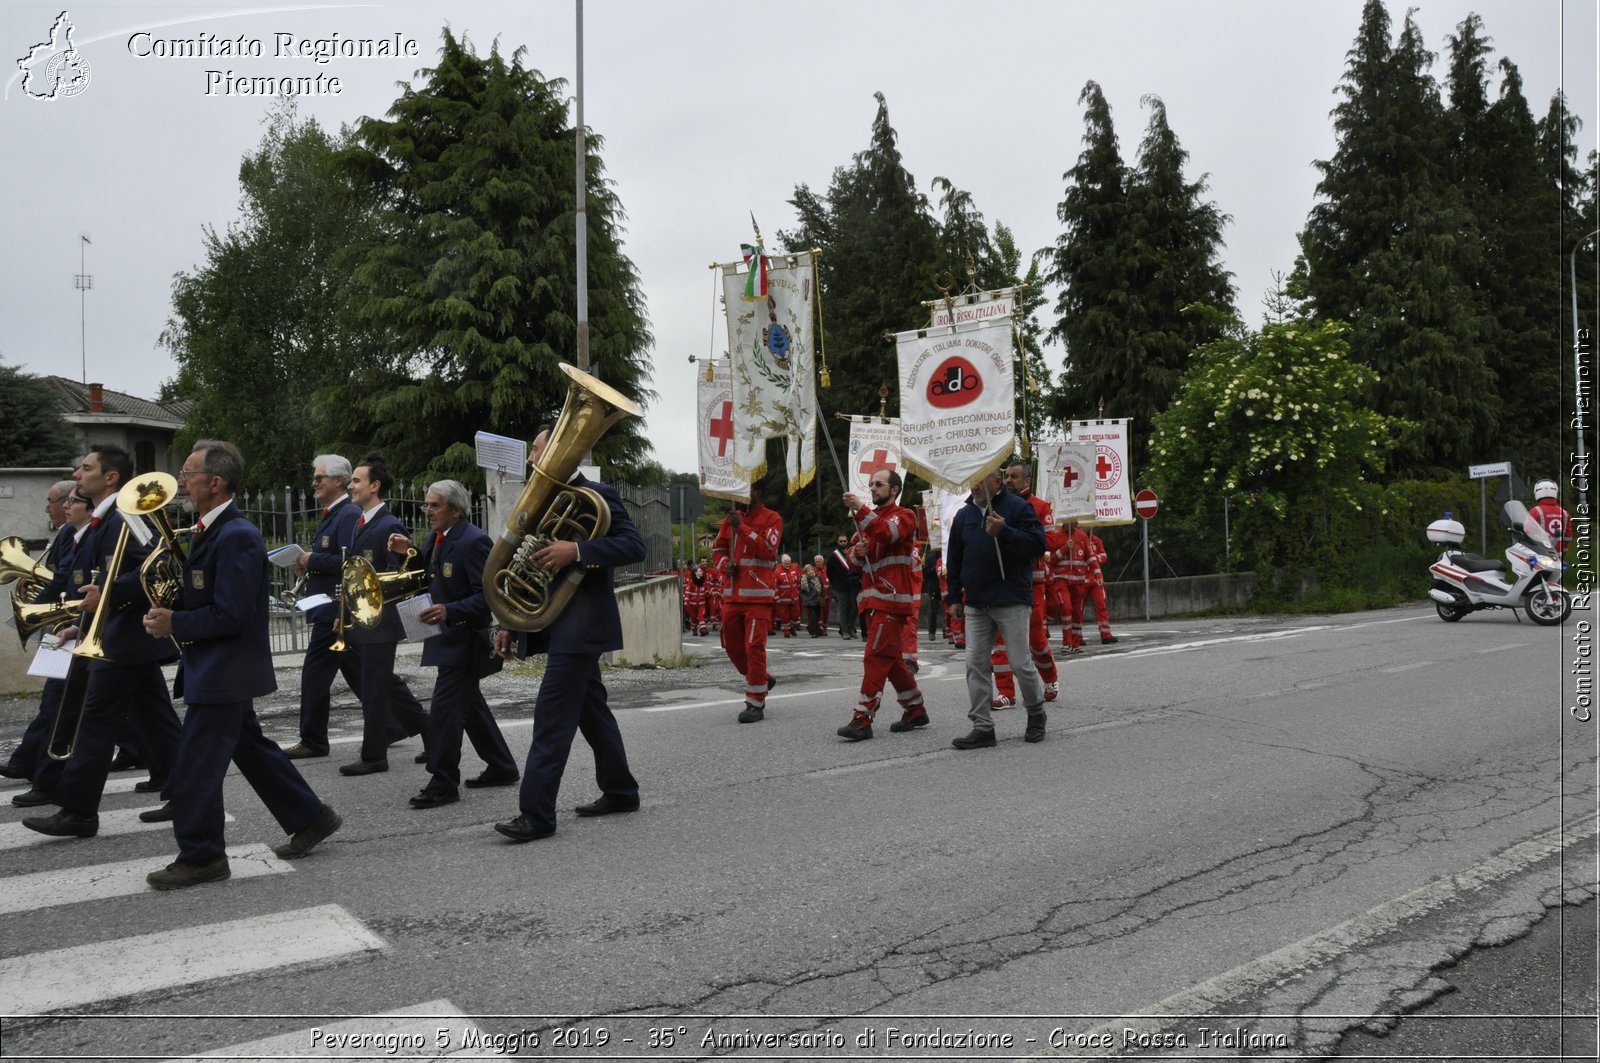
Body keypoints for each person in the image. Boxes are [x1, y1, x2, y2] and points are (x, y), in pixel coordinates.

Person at [138, 441, 341, 888]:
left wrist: (177, 620)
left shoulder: (236, 535)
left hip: (224, 672)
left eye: (189, 473)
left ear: (216, 482)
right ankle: (311, 817)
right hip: (215, 667)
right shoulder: (210, 531)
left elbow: (232, 614)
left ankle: (203, 855)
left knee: (193, 767)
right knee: (250, 748)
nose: (181, 482)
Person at [493, 428, 646, 843]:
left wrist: (577, 551)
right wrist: (509, 621)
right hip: (554, 620)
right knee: (591, 712)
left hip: (582, 624)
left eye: (537, 450)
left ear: (563, 452)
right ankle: (621, 791)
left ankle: (537, 815)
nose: (530, 460)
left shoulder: (598, 494)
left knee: (552, 718)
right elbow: (525, 563)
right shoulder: (540, 499)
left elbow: (634, 546)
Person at [23, 445, 183, 840]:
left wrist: (108, 597)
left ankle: (78, 811)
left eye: (86, 468)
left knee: (94, 720)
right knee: (156, 720)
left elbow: (156, 565)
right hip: (116, 632)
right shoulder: (102, 519)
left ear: (111, 477)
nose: (78, 474)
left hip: (125, 636)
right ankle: (188, 792)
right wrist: (84, 621)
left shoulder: (126, 514)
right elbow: (100, 578)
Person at [387, 480, 520, 808]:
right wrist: (410, 553)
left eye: (435, 506)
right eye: (426, 505)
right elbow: (429, 574)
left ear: (456, 510)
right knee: (469, 705)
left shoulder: (474, 542)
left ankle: (443, 781)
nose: (427, 511)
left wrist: (450, 610)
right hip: (445, 638)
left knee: (446, 711)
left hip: (465, 641)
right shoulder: (437, 537)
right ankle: (502, 765)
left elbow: (488, 596)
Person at [338, 452, 429, 776]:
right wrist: (346, 612)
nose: (351, 486)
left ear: (374, 486)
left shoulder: (388, 524)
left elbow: (401, 576)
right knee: (384, 684)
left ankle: (374, 755)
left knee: (375, 689)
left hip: (381, 621)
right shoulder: (362, 522)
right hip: (364, 618)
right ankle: (432, 734)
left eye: (357, 481)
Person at [943, 468, 1048, 749]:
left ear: (997, 481)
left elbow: (1038, 544)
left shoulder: (1017, 508)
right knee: (975, 664)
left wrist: (1006, 532)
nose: (974, 485)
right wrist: (953, 597)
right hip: (977, 602)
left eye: (980, 479)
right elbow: (954, 559)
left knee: (1019, 662)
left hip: (1011, 597)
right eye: (971, 480)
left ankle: (1036, 712)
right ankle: (982, 726)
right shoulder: (963, 516)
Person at [4, 482, 87, 802]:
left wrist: (35, 609)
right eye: (61, 502)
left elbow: (66, 579)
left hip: (70, 623)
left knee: (60, 701)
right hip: (64, 623)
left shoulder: (80, 533)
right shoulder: (69, 533)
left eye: (68, 501)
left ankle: (44, 777)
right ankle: (28, 762)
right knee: (61, 702)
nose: (60, 507)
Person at [836, 470, 928, 741]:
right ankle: (915, 709)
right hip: (872, 601)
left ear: (895, 490)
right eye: (871, 485)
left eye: (879, 484)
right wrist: (857, 553)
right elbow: (851, 563)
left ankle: (862, 718)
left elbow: (889, 534)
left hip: (892, 602)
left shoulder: (905, 516)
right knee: (892, 660)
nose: (873, 488)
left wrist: (860, 509)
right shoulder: (865, 523)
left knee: (875, 657)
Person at [282, 454, 362, 759]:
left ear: (338, 481)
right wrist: (308, 564)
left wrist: (311, 559)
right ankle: (408, 722)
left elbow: (350, 562)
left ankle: (313, 740)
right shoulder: (334, 514)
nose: (314, 483)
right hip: (331, 611)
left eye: (320, 478)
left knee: (314, 674)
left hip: (336, 609)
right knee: (363, 675)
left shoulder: (348, 513)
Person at [988, 460, 1062, 706]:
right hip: (1003, 581)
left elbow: (1050, 541)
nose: (1009, 480)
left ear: (1027, 481)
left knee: (1036, 640)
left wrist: (1014, 536)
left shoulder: (1040, 507)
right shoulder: (993, 506)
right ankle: (1006, 693)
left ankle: (1050, 677)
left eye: (1014, 477)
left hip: (1033, 583)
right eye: (1006, 476)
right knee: (999, 641)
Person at [712, 482, 783, 723]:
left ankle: (755, 701)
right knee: (732, 647)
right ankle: (763, 678)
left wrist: (741, 528)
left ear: (759, 493)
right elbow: (718, 550)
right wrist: (724, 567)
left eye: (748, 491)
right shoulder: (729, 519)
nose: (743, 496)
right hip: (732, 596)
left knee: (754, 647)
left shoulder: (773, 518)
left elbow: (767, 550)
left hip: (758, 598)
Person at [1086, 528, 1118, 644]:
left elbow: (1104, 556)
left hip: (1096, 579)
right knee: (1077, 609)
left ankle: (1106, 634)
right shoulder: (1075, 539)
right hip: (1082, 579)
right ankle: (1076, 637)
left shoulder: (1096, 540)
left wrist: (1095, 557)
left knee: (1101, 605)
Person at [826, 533, 860, 639]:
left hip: (853, 586)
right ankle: (844, 631)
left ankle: (850, 628)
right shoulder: (833, 556)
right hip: (840, 587)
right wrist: (835, 584)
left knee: (854, 608)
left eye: (844, 541)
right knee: (843, 609)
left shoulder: (852, 553)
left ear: (847, 541)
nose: (843, 543)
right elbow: (829, 572)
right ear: (838, 542)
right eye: (841, 541)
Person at [1529, 479, 1572, 557]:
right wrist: (1563, 554)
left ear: (1537, 492)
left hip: (1539, 558)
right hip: (1557, 559)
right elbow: (1568, 537)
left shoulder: (1535, 511)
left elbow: (1527, 531)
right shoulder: (1565, 513)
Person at [774, 554, 801, 637]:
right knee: (785, 616)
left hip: (795, 597)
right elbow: (775, 585)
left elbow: (798, 581)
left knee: (796, 614)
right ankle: (786, 630)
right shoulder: (777, 571)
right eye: (786, 563)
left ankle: (792, 626)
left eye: (789, 563)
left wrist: (800, 591)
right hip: (784, 598)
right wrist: (776, 597)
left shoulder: (795, 568)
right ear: (782, 563)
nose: (788, 565)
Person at [800, 562, 824, 637]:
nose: (810, 571)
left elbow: (822, 588)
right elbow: (802, 592)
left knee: (817, 616)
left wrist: (823, 596)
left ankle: (812, 629)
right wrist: (805, 599)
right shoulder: (803, 580)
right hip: (809, 601)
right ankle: (814, 632)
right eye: (808, 570)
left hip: (817, 600)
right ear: (806, 572)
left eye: (811, 570)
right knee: (812, 616)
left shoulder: (818, 578)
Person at [813, 553, 830, 635]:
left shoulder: (827, 570)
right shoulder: (813, 571)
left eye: (819, 561)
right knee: (818, 613)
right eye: (817, 561)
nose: (818, 563)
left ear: (823, 562)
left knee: (826, 612)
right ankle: (819, 628)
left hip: (827, 596)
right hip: (817, 597)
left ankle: (825, 627)